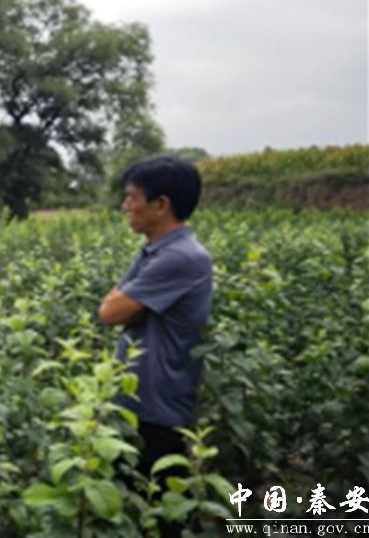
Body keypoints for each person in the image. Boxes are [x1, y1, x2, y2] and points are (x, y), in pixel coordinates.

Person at [98, 156, 212, 537]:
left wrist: (124, 304)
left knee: (162, 514)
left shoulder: (180, 257)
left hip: (158, 410)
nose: (124, 206)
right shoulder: (156, 251)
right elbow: (115, 305)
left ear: (161, 204)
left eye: (131, 197)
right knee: (134, 506)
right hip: (139, 404)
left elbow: (109, 311)